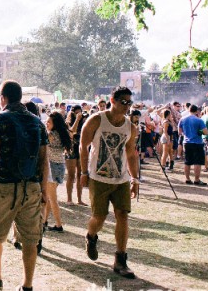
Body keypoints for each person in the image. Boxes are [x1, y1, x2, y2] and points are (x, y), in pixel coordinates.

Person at [0, 80, 47, 291]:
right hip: (31, 186)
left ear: (3, 97)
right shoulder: (37, 122)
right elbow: (43, 160)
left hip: (5, 186)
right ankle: (27, 285)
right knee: (30, 239)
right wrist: (44, 190)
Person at [80, 86, 140, 279]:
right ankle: (91, 236)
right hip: (98, 178)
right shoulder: (96, 120)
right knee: (99, 217)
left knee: (122, 215)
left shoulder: (130, 127)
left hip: (121, 179)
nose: (127, 106)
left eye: (129, 102)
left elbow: (131, 154)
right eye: (123, 102)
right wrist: (83, 172)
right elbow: (83, 146)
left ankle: (121, 259)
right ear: (112, 101)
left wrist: (135, 178)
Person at [44, 110, 72, 232]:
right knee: (50, 197)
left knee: (52, 199)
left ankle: (59, 225)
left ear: (54, 123)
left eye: (48, 122)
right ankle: (44, 221)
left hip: (51, 167)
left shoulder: (51, 135)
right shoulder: (62, 133)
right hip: (60, 166)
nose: (46, 124)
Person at [178, 105, 208, 186]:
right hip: (197, 142)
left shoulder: (182, 119)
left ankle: (187, 179)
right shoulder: (199, 120)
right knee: (197, 162)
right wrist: (199, 132)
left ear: (189, 110)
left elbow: (179, 132)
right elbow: (206, 132)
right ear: (197, 111)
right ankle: (196, 179)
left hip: (186, 142)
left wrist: (186, 134)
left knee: (187, 161)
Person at [65, 106, 87, 205]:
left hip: (80, 149)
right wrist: (77, 119)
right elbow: (72, 132)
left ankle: (79, 199)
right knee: (71, 175)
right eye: (77, 113)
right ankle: (69, 199)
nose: (79, 114)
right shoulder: (68, 122)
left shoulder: (84, 122)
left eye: (80, 112)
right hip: (71, 149)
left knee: (80, 175)